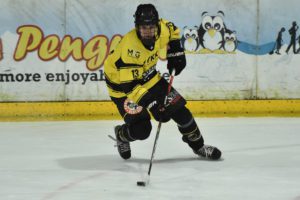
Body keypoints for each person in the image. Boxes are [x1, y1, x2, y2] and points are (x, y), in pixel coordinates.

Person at [104, 4, 221, 160]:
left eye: (151, 27)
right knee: (142, 129)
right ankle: (121, 135)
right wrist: (152, 104)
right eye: (143, 28)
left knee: (181, 112)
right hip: (122, 87)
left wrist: (176, 51)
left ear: (157, 25)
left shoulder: (163, 29)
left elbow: (173, 31)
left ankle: (198, 146)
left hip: (149, 77)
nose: (147, 32)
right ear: (137, 27)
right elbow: (130, 86)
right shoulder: (130, 48)